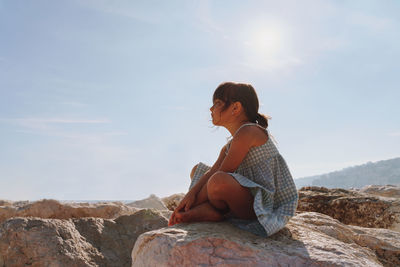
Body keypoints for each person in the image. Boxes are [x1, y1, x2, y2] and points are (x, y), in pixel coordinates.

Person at [168, 82, 298, 237]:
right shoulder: (230, 144)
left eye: (217, 103)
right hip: (240, 198)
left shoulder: (249, 131)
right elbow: (212, 171)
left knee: (219, 181)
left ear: (236, 108)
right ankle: (214, 213)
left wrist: (190, 204)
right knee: (198, 170)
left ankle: (210, 211)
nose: (211, 109)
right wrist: (191, 194)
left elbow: (222, 172)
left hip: (261, 205)